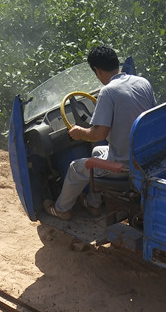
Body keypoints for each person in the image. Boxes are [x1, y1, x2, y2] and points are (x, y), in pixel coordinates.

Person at [45, 45, 156, 220]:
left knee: (76, 167)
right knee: (97, 152)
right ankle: (93, 204)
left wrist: (80, 132)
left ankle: (61, 209)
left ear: (97, 70)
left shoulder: (108, 91)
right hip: (146, 157)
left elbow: (99, 134)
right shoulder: (142, 82)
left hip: (125, 166)